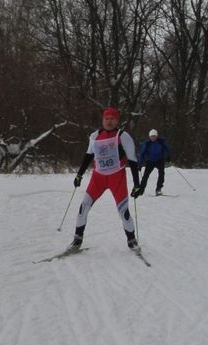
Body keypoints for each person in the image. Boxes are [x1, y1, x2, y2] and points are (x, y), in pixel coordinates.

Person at [71, 107, 143, 250]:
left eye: (112, 119)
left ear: (117, 121)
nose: (109, 121)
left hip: (117, 178)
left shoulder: (123, 136)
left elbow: (133, 160)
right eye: (106, 119)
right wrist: (79, 175)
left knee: (123, 211)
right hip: (98, 178)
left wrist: (137, 184)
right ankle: (77, 240)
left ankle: (132, 240)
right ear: (103, 120)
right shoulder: (95, 136)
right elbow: (88, 156)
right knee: (83, 206)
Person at [137, 129, 172, 196]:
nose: (153, 138)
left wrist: (168, 157)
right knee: (145, 176)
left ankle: (158, 189)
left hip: (160, 160)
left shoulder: (161, 141)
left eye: (154, 136)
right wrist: (140, 165)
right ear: (149, 137)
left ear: (157, 136)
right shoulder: (146, 144)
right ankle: (141, 191)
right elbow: (142, 154)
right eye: (152, 136)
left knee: (161, 173)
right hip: (150, 161)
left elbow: (168, 148)